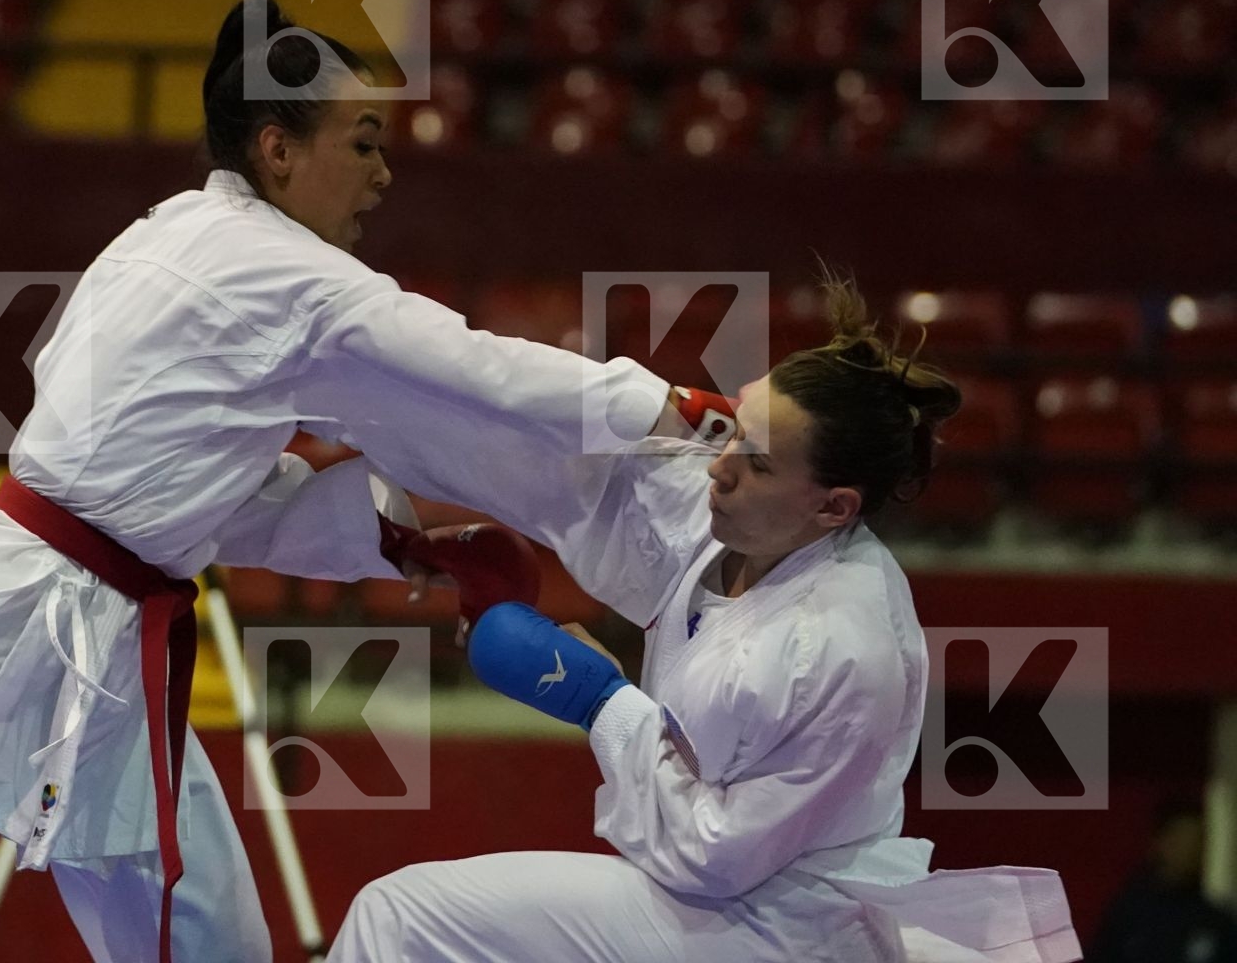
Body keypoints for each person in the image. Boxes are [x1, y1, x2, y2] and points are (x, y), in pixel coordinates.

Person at [0, 0, 681, 963]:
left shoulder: (166, 235)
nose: (384, 172)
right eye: (363, 143)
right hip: (0, 628)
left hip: (101, 632)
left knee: (206, 940)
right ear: (278, 149)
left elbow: (182, 492)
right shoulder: (288, 275)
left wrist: (400, 540)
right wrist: (662, 408)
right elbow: (479, 368)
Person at [321, 278, 1082, 963]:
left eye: (754, 459)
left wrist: (598, 702)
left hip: (777, 927)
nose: (718, 467)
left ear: (833, 506)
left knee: (404, 918)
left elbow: (714, 854)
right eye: (730, 431)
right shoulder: (732, 511)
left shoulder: (841, 652)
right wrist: (349, 401)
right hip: (705, 897)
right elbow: (559, 457)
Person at [1088, 798, 1237, 963]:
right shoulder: (1129, 913)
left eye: (1196, 841)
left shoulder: (1215, 922)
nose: (1189, 851)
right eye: (1180, 841)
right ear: (1159, 843)